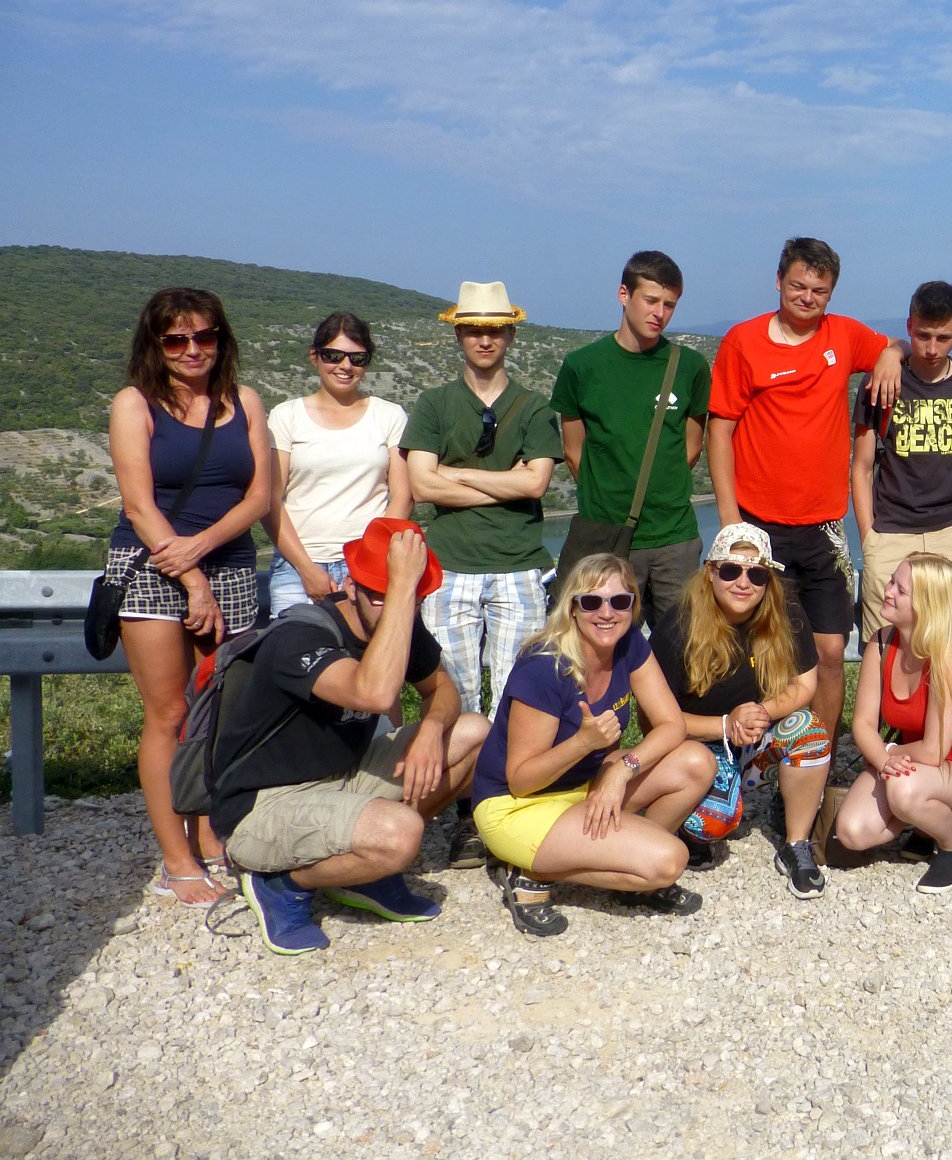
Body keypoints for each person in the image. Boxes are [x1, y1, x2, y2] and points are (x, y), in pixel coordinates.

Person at [213, 518, 490, 956]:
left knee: (475, 733)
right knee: (401, 833)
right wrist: (402, 589)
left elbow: (442, 689)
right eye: (379, 593)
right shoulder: (300, 636)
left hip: (341, 778)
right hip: (264, 804)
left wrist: (431, 730)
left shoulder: (397, 622)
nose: (394, 606)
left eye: (410, 597)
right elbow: (373, 693)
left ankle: (364, 870)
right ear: (349, 585)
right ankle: (282, 883)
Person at [707, 238, 903, 758]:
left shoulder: (844, 334)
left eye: (820, 290)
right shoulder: (743, 341)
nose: (807, 297)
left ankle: (820, 760)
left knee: (831, 651)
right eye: (798, 285)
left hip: (823, 527)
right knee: (759, 651)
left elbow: (897, 343)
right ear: (778, 281)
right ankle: (754, 760)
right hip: (758, 524)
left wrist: (890, 355)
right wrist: (729, 519)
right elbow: (719, 431)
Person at [106, 287, 272, 907]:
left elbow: (259, 496)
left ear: (221, 340)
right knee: (170, 713)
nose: (191, 349)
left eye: (204, 337)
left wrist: (202, 548)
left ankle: (209, 835)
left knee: (219, 711)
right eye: (176, 339)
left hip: (226, 561)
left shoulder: (244, 402)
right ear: (155, 345)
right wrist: (191, 576)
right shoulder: (135, 404)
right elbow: (137, 504)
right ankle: (176, 860)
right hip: (154, 564)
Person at [471, 553, 717, 936]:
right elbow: (521, 779)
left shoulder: (629, 643)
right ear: (572, 608)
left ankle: (622, 865)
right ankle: (531, 870)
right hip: (517, 805)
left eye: (620, 601)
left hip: (581, 786)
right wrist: (584, 742)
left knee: (696, 761)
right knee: (669, 861)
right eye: (591, 601)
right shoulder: (545, 667)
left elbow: (672, 726)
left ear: (633, 605)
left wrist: (623, 770)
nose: (607, 613)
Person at [402, 281, 563, 863]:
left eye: (494, 329)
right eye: (474, 328)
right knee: (458, 694)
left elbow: (536, 484)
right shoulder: (434, 403)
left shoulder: (534, 406)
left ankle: (499, 805)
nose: (484, 339)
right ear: (459, 334)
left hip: (518, 566)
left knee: (516, 696)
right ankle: (470, 811)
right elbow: (421, 486)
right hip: (451, 567)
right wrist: (505, 482)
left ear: (510, 334)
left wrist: (457, 474)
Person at [649, 524, 835, 899]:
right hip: (695, 747)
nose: (743, 583)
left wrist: (758, 714)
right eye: (731, 570)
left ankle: (796, 844)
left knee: (810, 731)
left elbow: (804, 685)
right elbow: (652, 719)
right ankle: (686, 827)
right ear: (710, 572)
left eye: (757, 574)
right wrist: (724, 725)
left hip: (753, 736)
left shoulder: (787, 614)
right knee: (711, 823)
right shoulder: (677, 626)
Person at [549, 250, 712, 625]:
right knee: (606, 640)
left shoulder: (689, 366)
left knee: (685, 643)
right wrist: (609, 496)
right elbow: (573, 451)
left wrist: (660, 489)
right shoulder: (581, 366)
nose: (660, 313)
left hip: (675, 536)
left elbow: (692, 445)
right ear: (624, 294)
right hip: (608, 536)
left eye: (669, 305)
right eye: (651, 300)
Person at [833, 553, 952, 892]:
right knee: (852, 832)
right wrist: (883, 759)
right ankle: (924, 823)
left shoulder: (947, 657)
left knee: (903, 789)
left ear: (928, 605)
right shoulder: (881, 642)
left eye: (901, 589)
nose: (888, 590)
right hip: (909, 764)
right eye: (891, 581)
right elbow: (862, 724)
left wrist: (887, 754)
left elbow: (934, 751)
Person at [851, 280, 952, 644]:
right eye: (923, 336)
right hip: (891, 532)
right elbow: (861, 466)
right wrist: (868, 537)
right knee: (883, 646)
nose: (931, 349)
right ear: (909, 326)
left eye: (943, 338)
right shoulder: (880, 384)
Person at [266, 312, 410, 616]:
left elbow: (402, 496)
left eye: (357, 358)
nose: (345, 366)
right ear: (314, 356)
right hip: (297, 565)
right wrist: (306, 569)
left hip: (367, 562)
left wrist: (367, 561)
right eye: (333, 356)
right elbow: (270, 499)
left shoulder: (389, 415)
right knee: (295, 644)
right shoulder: (286, 416)